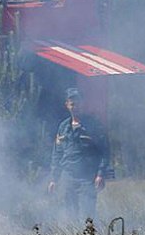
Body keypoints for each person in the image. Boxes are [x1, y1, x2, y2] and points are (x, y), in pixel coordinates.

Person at [48, 88, 111, 222]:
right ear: (67, 105)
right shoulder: (63, 127)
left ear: (83, 104)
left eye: (78, 103)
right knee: (70, 214)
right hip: (68, 176)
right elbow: (57, 153)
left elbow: (104, 151)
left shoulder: (94, 125)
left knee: (88, 215)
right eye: (73, 104)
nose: (76, 107)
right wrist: (54, 178)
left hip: (87, 177)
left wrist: (100, 174)